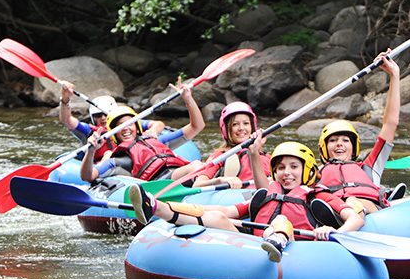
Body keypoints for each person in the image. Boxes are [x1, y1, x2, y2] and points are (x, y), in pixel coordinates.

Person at [128, 136, 364, 263]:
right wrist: (187, 208)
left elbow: (355, 217)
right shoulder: (265, 195)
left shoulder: (317, 195)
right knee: (218, 215)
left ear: (307, 170)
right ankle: (157, 208)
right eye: (281, 167)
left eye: (294, 166)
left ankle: (277, 242)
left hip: (297, 249)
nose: (287, 172)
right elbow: (227, 211)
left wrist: (337, 232)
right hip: (253, 248)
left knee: (281, 219)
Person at [316, 49, 404, 217]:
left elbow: (390, 124)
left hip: (369, 214)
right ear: (324, 148)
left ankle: (355, 216)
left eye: (345, 140)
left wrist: (394, 75)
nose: (339, 143)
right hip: (334, 212)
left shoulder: (370, 167)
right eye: (333, 140)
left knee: (353, 202)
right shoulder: (313, 173)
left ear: (354, 146)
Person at [79, 77, 205, 184]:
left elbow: (197, 126)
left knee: (202, 165)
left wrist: (188, 99)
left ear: (137, 127)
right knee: (195, 166)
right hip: (160, 183)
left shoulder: (156, 141)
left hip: (177, 173)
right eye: (120, 126)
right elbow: (87, 176)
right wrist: (91, 152)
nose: (126, 128)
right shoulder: (117, 159)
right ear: (114, 134)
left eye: (129, 124)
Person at [59, 81, 165, 162]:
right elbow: (66, 120)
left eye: (106, 114)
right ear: (93, 118)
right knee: (108, 153)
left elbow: (158, 124)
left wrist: (153, 130)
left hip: (132, 161)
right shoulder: (88, 131)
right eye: (98, 115)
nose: (103, 118)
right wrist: (65, 100)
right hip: (104, 167)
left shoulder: (127, 126)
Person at [192, 101, 271, 189]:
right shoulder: (220, 156)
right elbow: (197, 184)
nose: (241, 128)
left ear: (252, 126)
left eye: (246, 123)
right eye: (235, 124)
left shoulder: (267, 157)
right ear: (226, 129)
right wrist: (220, 180)